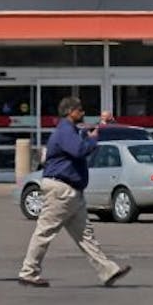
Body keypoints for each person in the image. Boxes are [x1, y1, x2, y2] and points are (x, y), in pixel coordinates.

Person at [18, 96, 131, 288]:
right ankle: (28, 272)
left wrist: (87, 135)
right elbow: (78, 150)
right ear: (70, 112)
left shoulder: (70, 131)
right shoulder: (64, 131)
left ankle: (108, 271)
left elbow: (77, 148)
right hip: (61, 189)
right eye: (79, 110)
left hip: (72, 192)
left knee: (85, 235)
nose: (83, 113)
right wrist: (93, 139)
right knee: (45, 231)